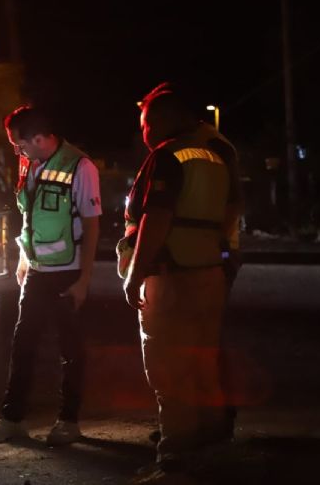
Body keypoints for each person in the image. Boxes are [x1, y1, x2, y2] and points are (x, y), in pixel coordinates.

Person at [119, 83, 242, 471]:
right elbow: (229, 211)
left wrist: (134, 274)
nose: (144, 131)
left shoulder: (167, 156)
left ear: (162, 120)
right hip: (209, 272)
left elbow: (157, 218)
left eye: (145, 122)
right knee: (202, 362)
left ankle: (176, 454)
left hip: (171, 276)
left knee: (168, 368)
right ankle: (210, 444)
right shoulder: (215, 155)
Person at [0, 105, 101, 446]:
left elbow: (92, 225)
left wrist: (84, 280)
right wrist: (23, 259)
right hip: (35, 270)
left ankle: (69, 421)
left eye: (20, 144)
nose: (18, 151)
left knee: (71, 349)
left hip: (68, 272)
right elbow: (29, 216)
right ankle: (12, 419)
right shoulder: (29, 163)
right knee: (22, 345)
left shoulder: (81, 167)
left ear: (40, 138)